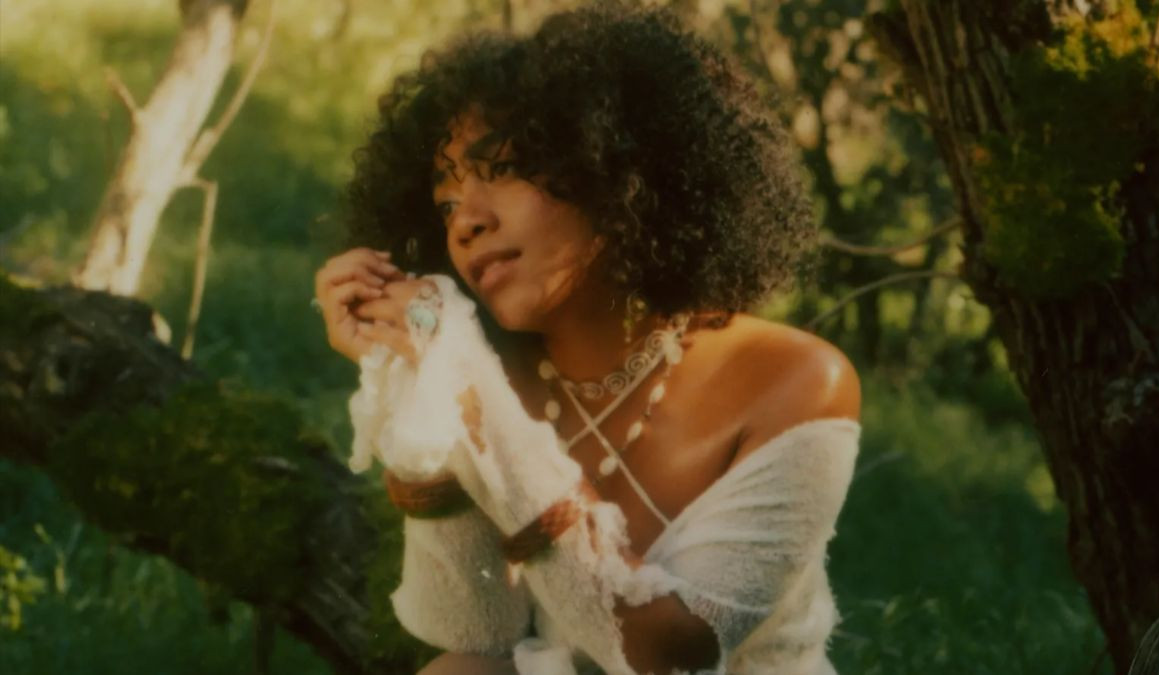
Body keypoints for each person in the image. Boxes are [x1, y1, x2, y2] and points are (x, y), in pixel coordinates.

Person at [312, 4, 860, 674]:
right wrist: (416, 382)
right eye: (446, 203)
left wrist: (475, 400)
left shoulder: (794, 377)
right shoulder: (491, 372)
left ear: (613, 167)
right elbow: (471, 629)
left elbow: (669, 656)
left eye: (502, 168)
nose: (465, 224)